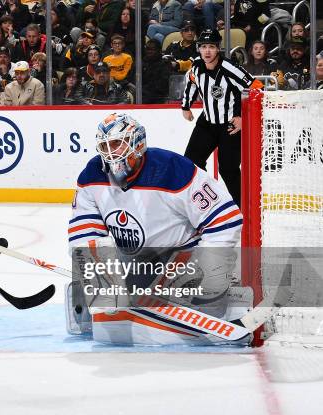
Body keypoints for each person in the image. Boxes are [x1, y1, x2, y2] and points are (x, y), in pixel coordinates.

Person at [66, 113, 243, 345]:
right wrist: (98, 275)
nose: (111, 153)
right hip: (137, 262)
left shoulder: (174, 170)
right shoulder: (92, 175)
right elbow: (83, 230)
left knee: (185, 313)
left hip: (184, 257)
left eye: (117, 143)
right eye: (105, 145)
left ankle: (225, 299)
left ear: (138, 143)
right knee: (106, 315)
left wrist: (209, 273)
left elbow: (225, 220)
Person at [182, 29, 263, 207]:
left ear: (218, 48)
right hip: (207, 123)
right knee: (190, 163)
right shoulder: (196, 66)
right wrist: (186, 106)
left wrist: (242, 116)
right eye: (203, 47)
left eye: (211, 46)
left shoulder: (229, 67)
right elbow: (191, 83)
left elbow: (256, 87)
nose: (207, 51)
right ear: (199, 49)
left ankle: (243, 206)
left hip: (229, 125)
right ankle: (205, 202)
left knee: (228, 169)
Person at [142, 39, 171, 103]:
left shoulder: (165, 64)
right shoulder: (141, 63)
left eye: (152, 49)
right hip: (141, 96)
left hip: (158, 98)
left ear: (159, 51)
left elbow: (162, 86)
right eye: (147, 49)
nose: (149, 51)